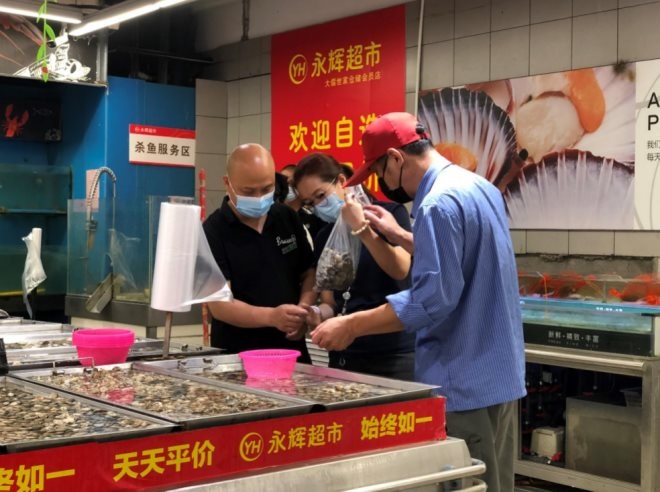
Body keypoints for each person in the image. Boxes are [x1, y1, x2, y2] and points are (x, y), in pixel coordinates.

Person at [310, 113, 526, 492]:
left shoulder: (436, 205)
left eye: (380, 172)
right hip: (500, 374)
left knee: (469, 484)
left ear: (396, 158)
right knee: (496, 483)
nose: (383, 183)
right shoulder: (479, 187)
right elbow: (463, 258)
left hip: (463, 379)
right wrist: (397, 234)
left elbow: (431, 300)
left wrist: (352, 324)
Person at [293, 152, 415, 380]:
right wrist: (317, 313)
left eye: (321, 195)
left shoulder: (387, 216)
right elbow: (331, 300)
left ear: (341, 181)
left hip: (392, 352)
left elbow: (401, 269)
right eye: (310, 203)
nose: (318, 206)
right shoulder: (325, 236)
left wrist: (362, 228)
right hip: (345, 351)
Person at [203, 143, 316, 362]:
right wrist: (272, 317)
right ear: (227, 183)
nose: (259, 197)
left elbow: (309, 271)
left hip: (292, 352)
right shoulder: (213, 231)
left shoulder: (286, 217)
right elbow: (220, 305)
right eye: (248, 191)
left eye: (266, 189)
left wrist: (303, 310)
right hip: (237, 356)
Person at [279, 163, 328, 241]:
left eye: (290, 183)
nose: (285, 186)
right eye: (282, 182)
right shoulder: (273, 217)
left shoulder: (313, 216)